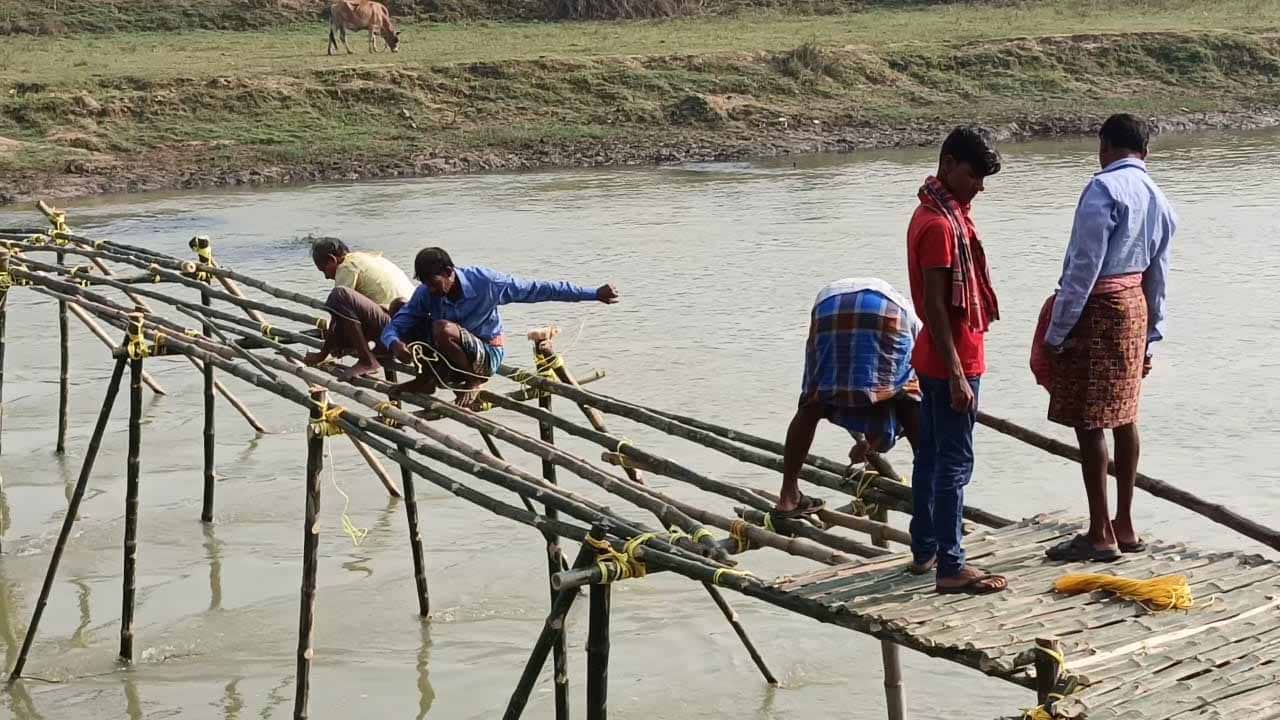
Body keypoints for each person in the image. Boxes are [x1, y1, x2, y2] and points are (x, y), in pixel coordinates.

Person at [1042, 114, 1177, 563]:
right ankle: (1125, 522)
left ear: (1104, 146)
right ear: (1145, 151)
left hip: (1100, 309)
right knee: (1125, 413)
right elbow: (1159, 277)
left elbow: (1083, 268)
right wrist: (1151, 337)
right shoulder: (1158, 197)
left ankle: (1100, 532)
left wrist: (1056, 331)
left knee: (1090, 418)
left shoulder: (1103, 190)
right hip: (1135, 306)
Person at [906, 127, 1007, 595]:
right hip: (952, 361)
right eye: (973, 175)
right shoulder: (941, 226)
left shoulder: (940, 214)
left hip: (939, 357)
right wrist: (956, 374)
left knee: (930, 455)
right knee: (954, 463)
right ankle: (951, 562)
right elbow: (937, 306)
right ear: (948, 164)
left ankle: (925, 546)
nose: (979, 187)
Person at [382, 247, 618, 405]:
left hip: (485, 355)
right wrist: (395, 344)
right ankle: (427, 380)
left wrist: (593, 293)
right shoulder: (426, 293)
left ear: (448, 272)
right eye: (426, 285)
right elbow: (395, 326)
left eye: (434, 283)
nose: (431, 290)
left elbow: (540, 289)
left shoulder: (487, 282)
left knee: (443, 328)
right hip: (450, 353)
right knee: (399, 306)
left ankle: (474, 380)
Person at [773, 279, 922, 519]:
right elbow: (893, 411)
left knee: (813, 401)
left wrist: (867, 446)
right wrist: (871, 445)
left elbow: (865, 399)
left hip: (828, 305)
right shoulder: (919, 330)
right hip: (887, 311)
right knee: (907, 395)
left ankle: (788, 496)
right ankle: (931, 493)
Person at [303, 237, 416, 381]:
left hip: (396, 327)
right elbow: (352, 316)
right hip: (407, 326)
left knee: (338, 295)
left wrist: (322, 354)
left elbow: (338, 312)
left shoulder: (347, 266)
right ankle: (381, 351)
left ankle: (367, 360)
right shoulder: (367, 259)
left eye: (324, 270)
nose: (326, 276)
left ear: (332, 259)